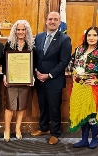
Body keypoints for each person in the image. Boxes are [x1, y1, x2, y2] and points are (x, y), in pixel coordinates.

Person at [69, 26, 98, 149]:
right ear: (85, 37)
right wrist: (74, 75)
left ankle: (94, 138)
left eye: (95, 35)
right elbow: (72, 65)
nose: (91, 38)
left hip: (92, 89)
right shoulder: (79, 50)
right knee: (83, 114)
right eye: (89, 35)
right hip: (79, 88)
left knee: (92, 115)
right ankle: (84, 139)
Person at [31, 11, 72, 145]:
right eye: (50, 19)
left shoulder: (65, 39)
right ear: (46, 21)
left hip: (54, 80)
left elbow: (64, 61)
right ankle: (44, 128)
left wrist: (49, 75)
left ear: (59, 22)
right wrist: (36, 71)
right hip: (39, 79)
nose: (52, 21)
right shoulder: (39, 37)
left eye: (55, 19)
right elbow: (36, 57)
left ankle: (55, 133)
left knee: (54, 107)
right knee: (42, 106)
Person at [1, 20, 34, 142]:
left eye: (23, 29)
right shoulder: (9, 44)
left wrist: (32, 76)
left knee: (22, 106)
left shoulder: (31, 45)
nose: (20, 32)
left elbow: (33, 63)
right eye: (18, 29)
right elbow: (4, 63)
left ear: (27, 31)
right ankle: (7, 130)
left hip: (25, 80)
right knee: (10, 105)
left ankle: (18, 128)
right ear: (15, 31)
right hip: (12, 79)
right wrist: (5, 75)